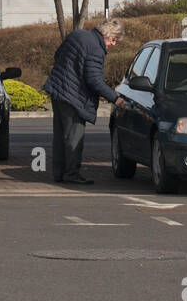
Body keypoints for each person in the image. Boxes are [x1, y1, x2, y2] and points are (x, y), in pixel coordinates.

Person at [42, 18, 128, 184]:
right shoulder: (96, 48)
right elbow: (94, 80)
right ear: (108, 34)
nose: (113, 44)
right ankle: (72, 174)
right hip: (74, 97)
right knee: (74, 137)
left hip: (58, 90)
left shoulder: (77, 35)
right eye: (114, 40)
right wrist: (115, 99)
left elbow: (57, 55)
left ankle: (59, 173)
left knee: (60, 136)